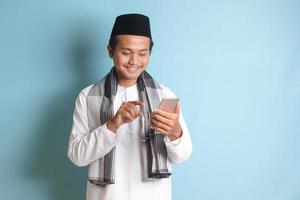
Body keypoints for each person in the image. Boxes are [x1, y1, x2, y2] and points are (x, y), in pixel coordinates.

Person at [67, 13, 192, 200]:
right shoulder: (88, 96)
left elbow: (182, 156)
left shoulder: (165, 95)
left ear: (150, 53)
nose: (134, 61)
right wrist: (112, 125)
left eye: (142, 53)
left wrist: (174, 132)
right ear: (111, 50)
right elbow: (77, 156)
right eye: (126, 52)